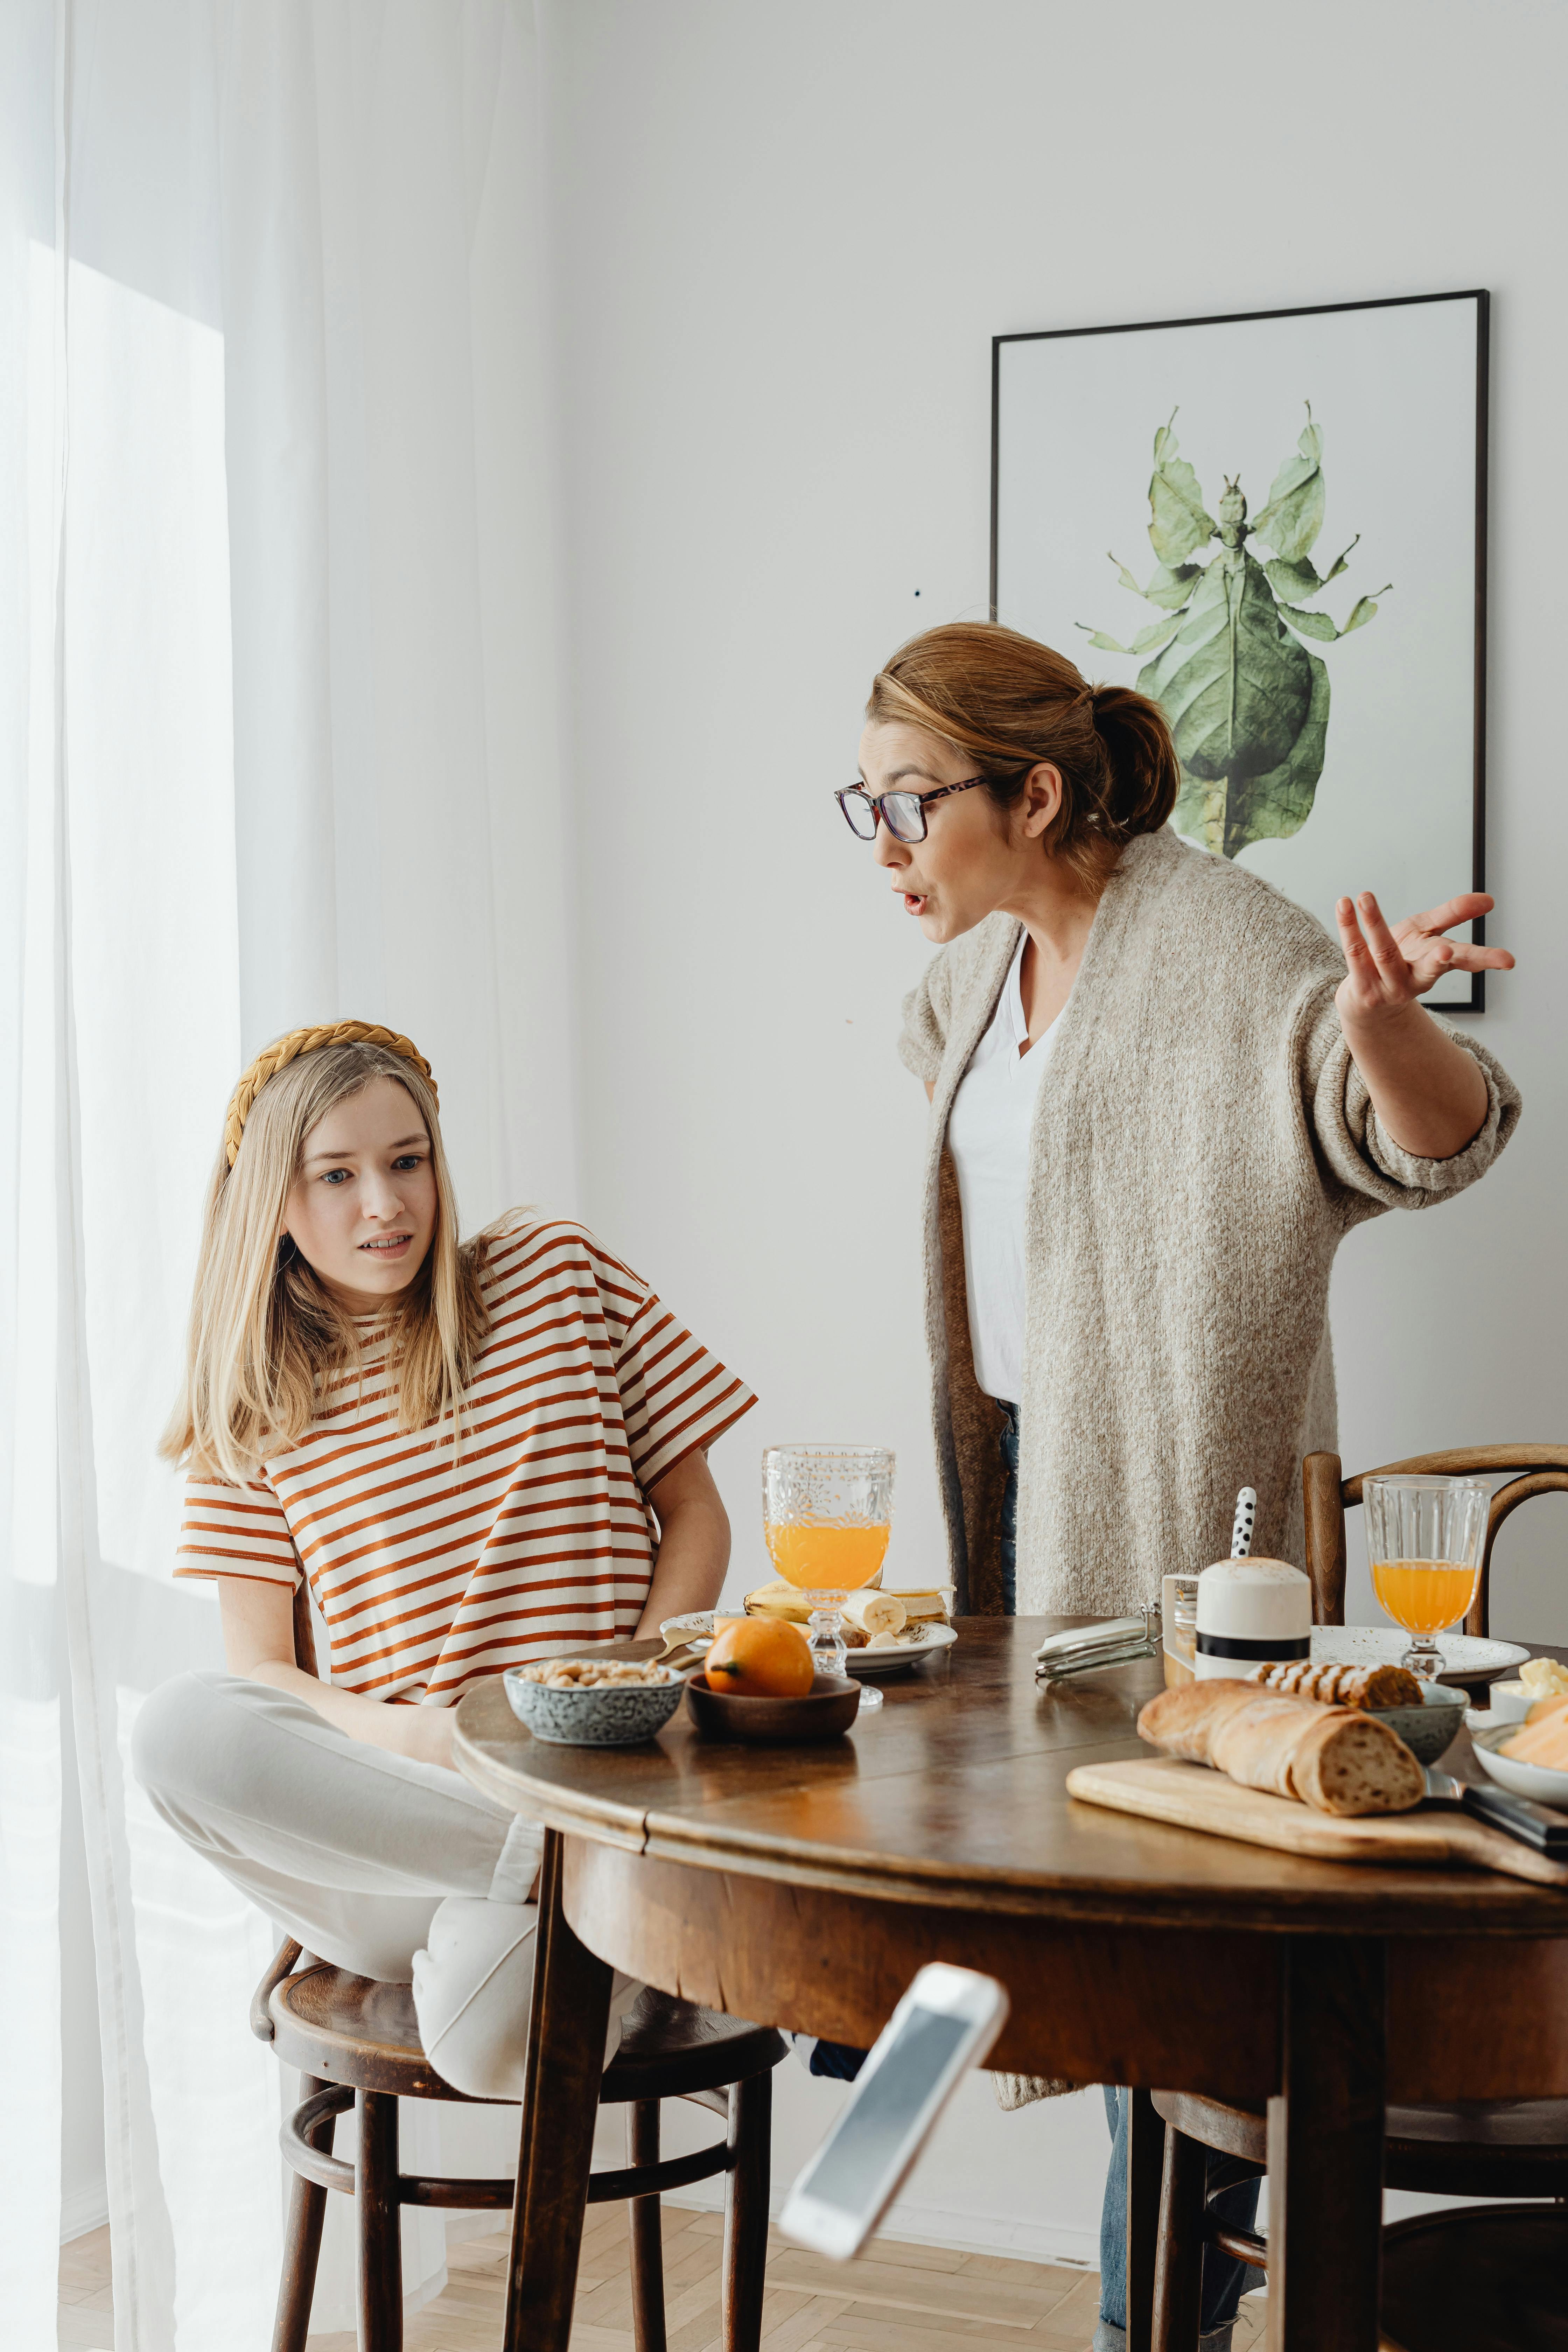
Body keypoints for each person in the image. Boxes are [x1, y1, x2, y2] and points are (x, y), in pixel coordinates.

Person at [840, 623, 1520, 2350]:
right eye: (866, 803)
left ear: (1037, 791)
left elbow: (1421, 1145)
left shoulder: (1229, 948)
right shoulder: (966, 982)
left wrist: (1378, 1030)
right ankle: (1077, 2287)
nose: (886, 842)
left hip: (1184, 1543)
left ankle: (1145, 2325)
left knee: (1173, 1974)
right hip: (1007, 1528)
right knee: (1047, 1935)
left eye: (909, 802)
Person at [133, 1021, 755, 2096]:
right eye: (338, 1175)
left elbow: (694, 1510)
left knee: (494, 2038)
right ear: (273, 1206)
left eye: (406, 1161)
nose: (387, 1204)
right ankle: (562, 1873)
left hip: (604, 1782)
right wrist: (426, 1742)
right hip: (411, 1826)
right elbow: (265, 1677)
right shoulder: (254, 1407)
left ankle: (580, 1876)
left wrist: (622, 1693)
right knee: (178, 1729)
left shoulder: (556, 1275)